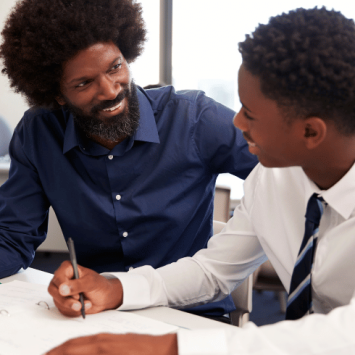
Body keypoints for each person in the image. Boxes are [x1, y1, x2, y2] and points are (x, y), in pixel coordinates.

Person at [47, 7, 355, 355]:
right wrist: (116, 288)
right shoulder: (273, 179)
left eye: (249, 113)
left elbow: (346, 334)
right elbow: (213, 271)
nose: (236, 123)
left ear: (311, 131)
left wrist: (166, 348)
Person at [0, 0, 257, 318]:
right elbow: (12, 237)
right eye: (83, 83)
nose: (110, 90)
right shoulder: (38, 133)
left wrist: (241, 239)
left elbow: (285, 176)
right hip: (94, 311)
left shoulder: (194, 119)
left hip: (192, 313)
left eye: (114, 67)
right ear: (56, 95)